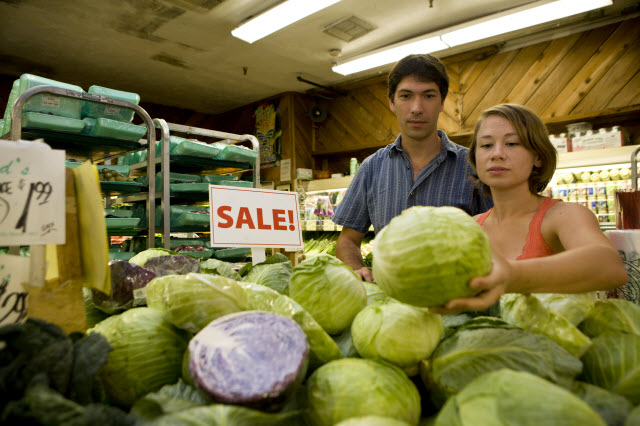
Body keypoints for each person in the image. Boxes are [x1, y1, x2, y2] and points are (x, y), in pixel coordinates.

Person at [430, 103, 628, 315]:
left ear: (538, 157)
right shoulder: (468, 227)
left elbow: (609, 267)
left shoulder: (563, 216)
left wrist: (512, 276)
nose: (497, 154)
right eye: (486, 145)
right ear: (475, 159)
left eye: (512, 143)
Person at [333, 54, 493, 281]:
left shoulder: (474, 166)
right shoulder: (371, 168)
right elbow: (348, 241)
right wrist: (356, 268)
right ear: (391, 102)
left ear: (442, 101)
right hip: (390, 302)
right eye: (406, 96)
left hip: (458, 302)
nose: (416, 108)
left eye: (428, 95)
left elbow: (501, 233)